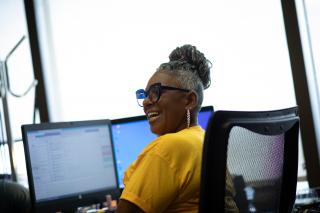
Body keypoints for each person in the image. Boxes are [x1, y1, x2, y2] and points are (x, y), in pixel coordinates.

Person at [116, 44, 238, 213]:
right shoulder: (204, 140)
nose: (145, 102)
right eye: (145, 95)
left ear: (189, 100)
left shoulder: (168, 147)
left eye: (156, 91)